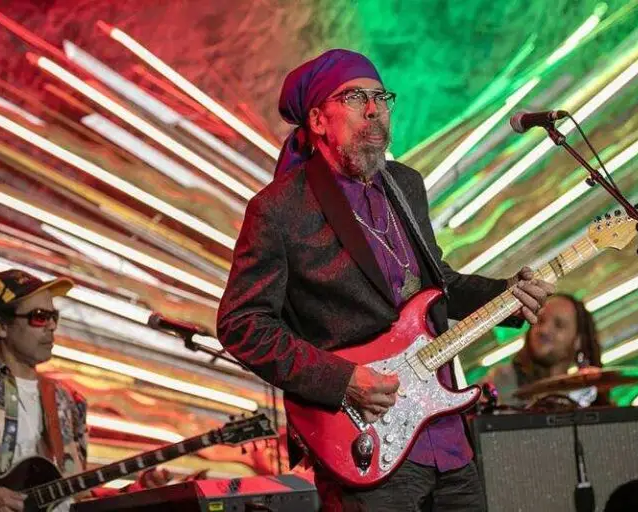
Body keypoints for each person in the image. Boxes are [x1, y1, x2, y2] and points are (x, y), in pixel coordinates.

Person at [216, 49, 555, 511]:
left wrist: (506, 294)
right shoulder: (279, 209)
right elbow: (242, 323)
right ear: (318, 120)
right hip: (365, 439)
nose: (374, 109)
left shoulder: (406, 184)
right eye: (355, 97)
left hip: (444, 435)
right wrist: (343, 380)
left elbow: (437, 286)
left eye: (381, 97)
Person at [0, 269, 168, 512]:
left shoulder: (67, 402)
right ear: (0, 326)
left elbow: (74, 497)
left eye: (53, 316)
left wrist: (139, 491)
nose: (51, 326)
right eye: (39, 317)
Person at [485, 293, 606, 408]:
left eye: (559, 325)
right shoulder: (501, 379)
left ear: (578, 340)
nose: (544, 330)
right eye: (540, 320)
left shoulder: (583, 395)